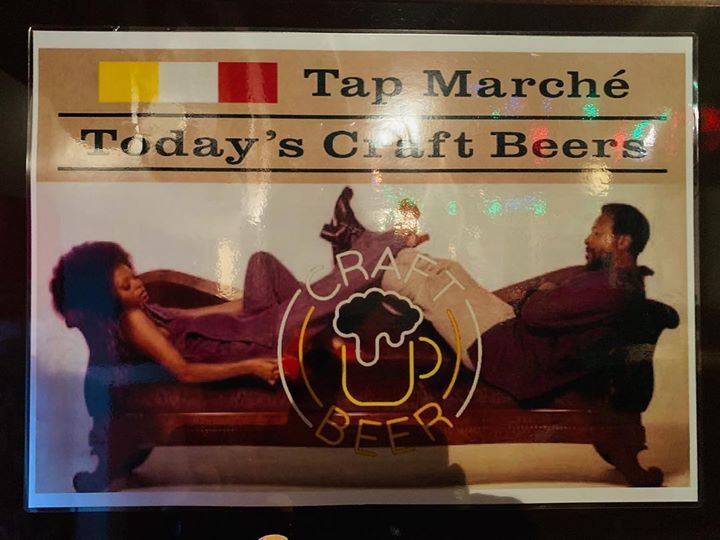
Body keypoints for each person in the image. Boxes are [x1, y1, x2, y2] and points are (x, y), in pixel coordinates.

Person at [49, 188, 423, 386]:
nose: (138, 283)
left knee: (262, 262)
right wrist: (251, 367)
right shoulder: (134, 323)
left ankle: (324, 330)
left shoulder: (147, 311)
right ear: (105, 297)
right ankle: (392, 240)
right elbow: (184, 372)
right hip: (264, 338)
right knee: (330, 289)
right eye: (126, 285)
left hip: (254, 323)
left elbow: (197, 316)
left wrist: (248, 303)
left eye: (132, 275)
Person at [381, 202, 653, 401]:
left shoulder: (611, 288)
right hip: (508, 334)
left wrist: (543, 291)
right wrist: (492, 298)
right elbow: (538, 297)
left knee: (430, 286)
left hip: (504, 355)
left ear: (623, 241)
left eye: (597, 233)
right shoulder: (606, 279)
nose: (587, 239)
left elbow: (535, 313)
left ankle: (376, 270)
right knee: (449, 269)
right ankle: (387, 253)